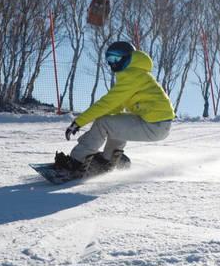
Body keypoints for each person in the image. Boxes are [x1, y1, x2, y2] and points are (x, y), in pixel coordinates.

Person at [55, 41, 175, 176]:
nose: (112, 63)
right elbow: (116, 106)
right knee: (111, 121)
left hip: (154, 125)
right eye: (109, 59)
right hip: (156, 124)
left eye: (116, 58)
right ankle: (108, 160)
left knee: (103, 123)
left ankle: (76, 162)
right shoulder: (134, 74)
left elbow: (107, 103)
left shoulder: (133, 76)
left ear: (128, 57)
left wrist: (79, 122)